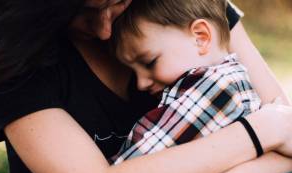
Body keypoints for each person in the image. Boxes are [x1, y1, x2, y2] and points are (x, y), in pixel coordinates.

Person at [0, 0, 291, 173]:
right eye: (81, 12)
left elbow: (288, 142)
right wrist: (261, 131)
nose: (104, 30)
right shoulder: (10, 57)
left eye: (116, 2)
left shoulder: (190, 10)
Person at [110, 0, 262, 164]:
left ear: (200, 38)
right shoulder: (233, 78)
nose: (140, 84)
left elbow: (136, 162)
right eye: (133, 72)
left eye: (149, 62)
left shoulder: (215, 88)